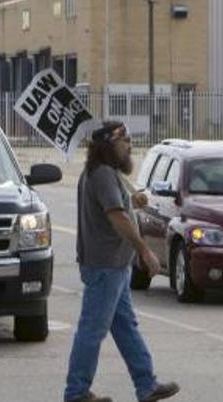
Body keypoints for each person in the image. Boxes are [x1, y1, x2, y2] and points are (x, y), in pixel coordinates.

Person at [64, 121, 180, 402]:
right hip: (105, 267)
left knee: (126, 326)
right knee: (92, 330)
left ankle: (146, 385)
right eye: (124, 140)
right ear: (108, 144)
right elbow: (117, 217)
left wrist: (132, 198)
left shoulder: (104, 173)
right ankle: (76, 392)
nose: (129, 145)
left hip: (113, 266)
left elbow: (118, 203)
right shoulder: (102, 174)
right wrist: (144, 250)